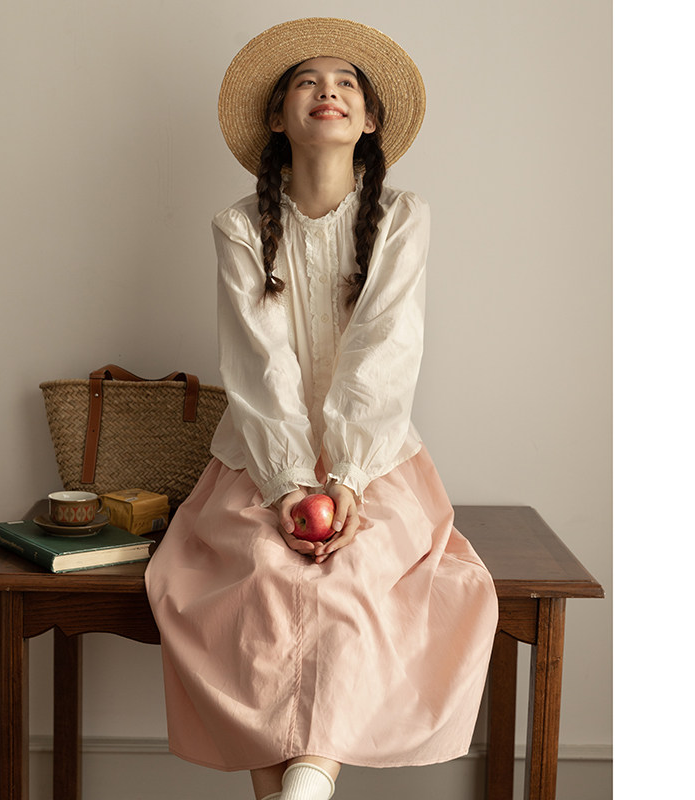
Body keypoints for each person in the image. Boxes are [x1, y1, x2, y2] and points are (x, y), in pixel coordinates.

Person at [145, 18, 499, 800]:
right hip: (257, 461)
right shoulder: (240, 227)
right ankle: (304, 787)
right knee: (264, 582)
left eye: (346, 84)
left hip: (375, 464)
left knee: (349, 579)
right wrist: (286, 484)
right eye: (307, 81)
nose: (327, 91)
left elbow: (385, 351)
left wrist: (346, 480)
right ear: (278, 116)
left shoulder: (402, 219)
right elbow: (258, 364)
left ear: (370, 119)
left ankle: (302, 784)